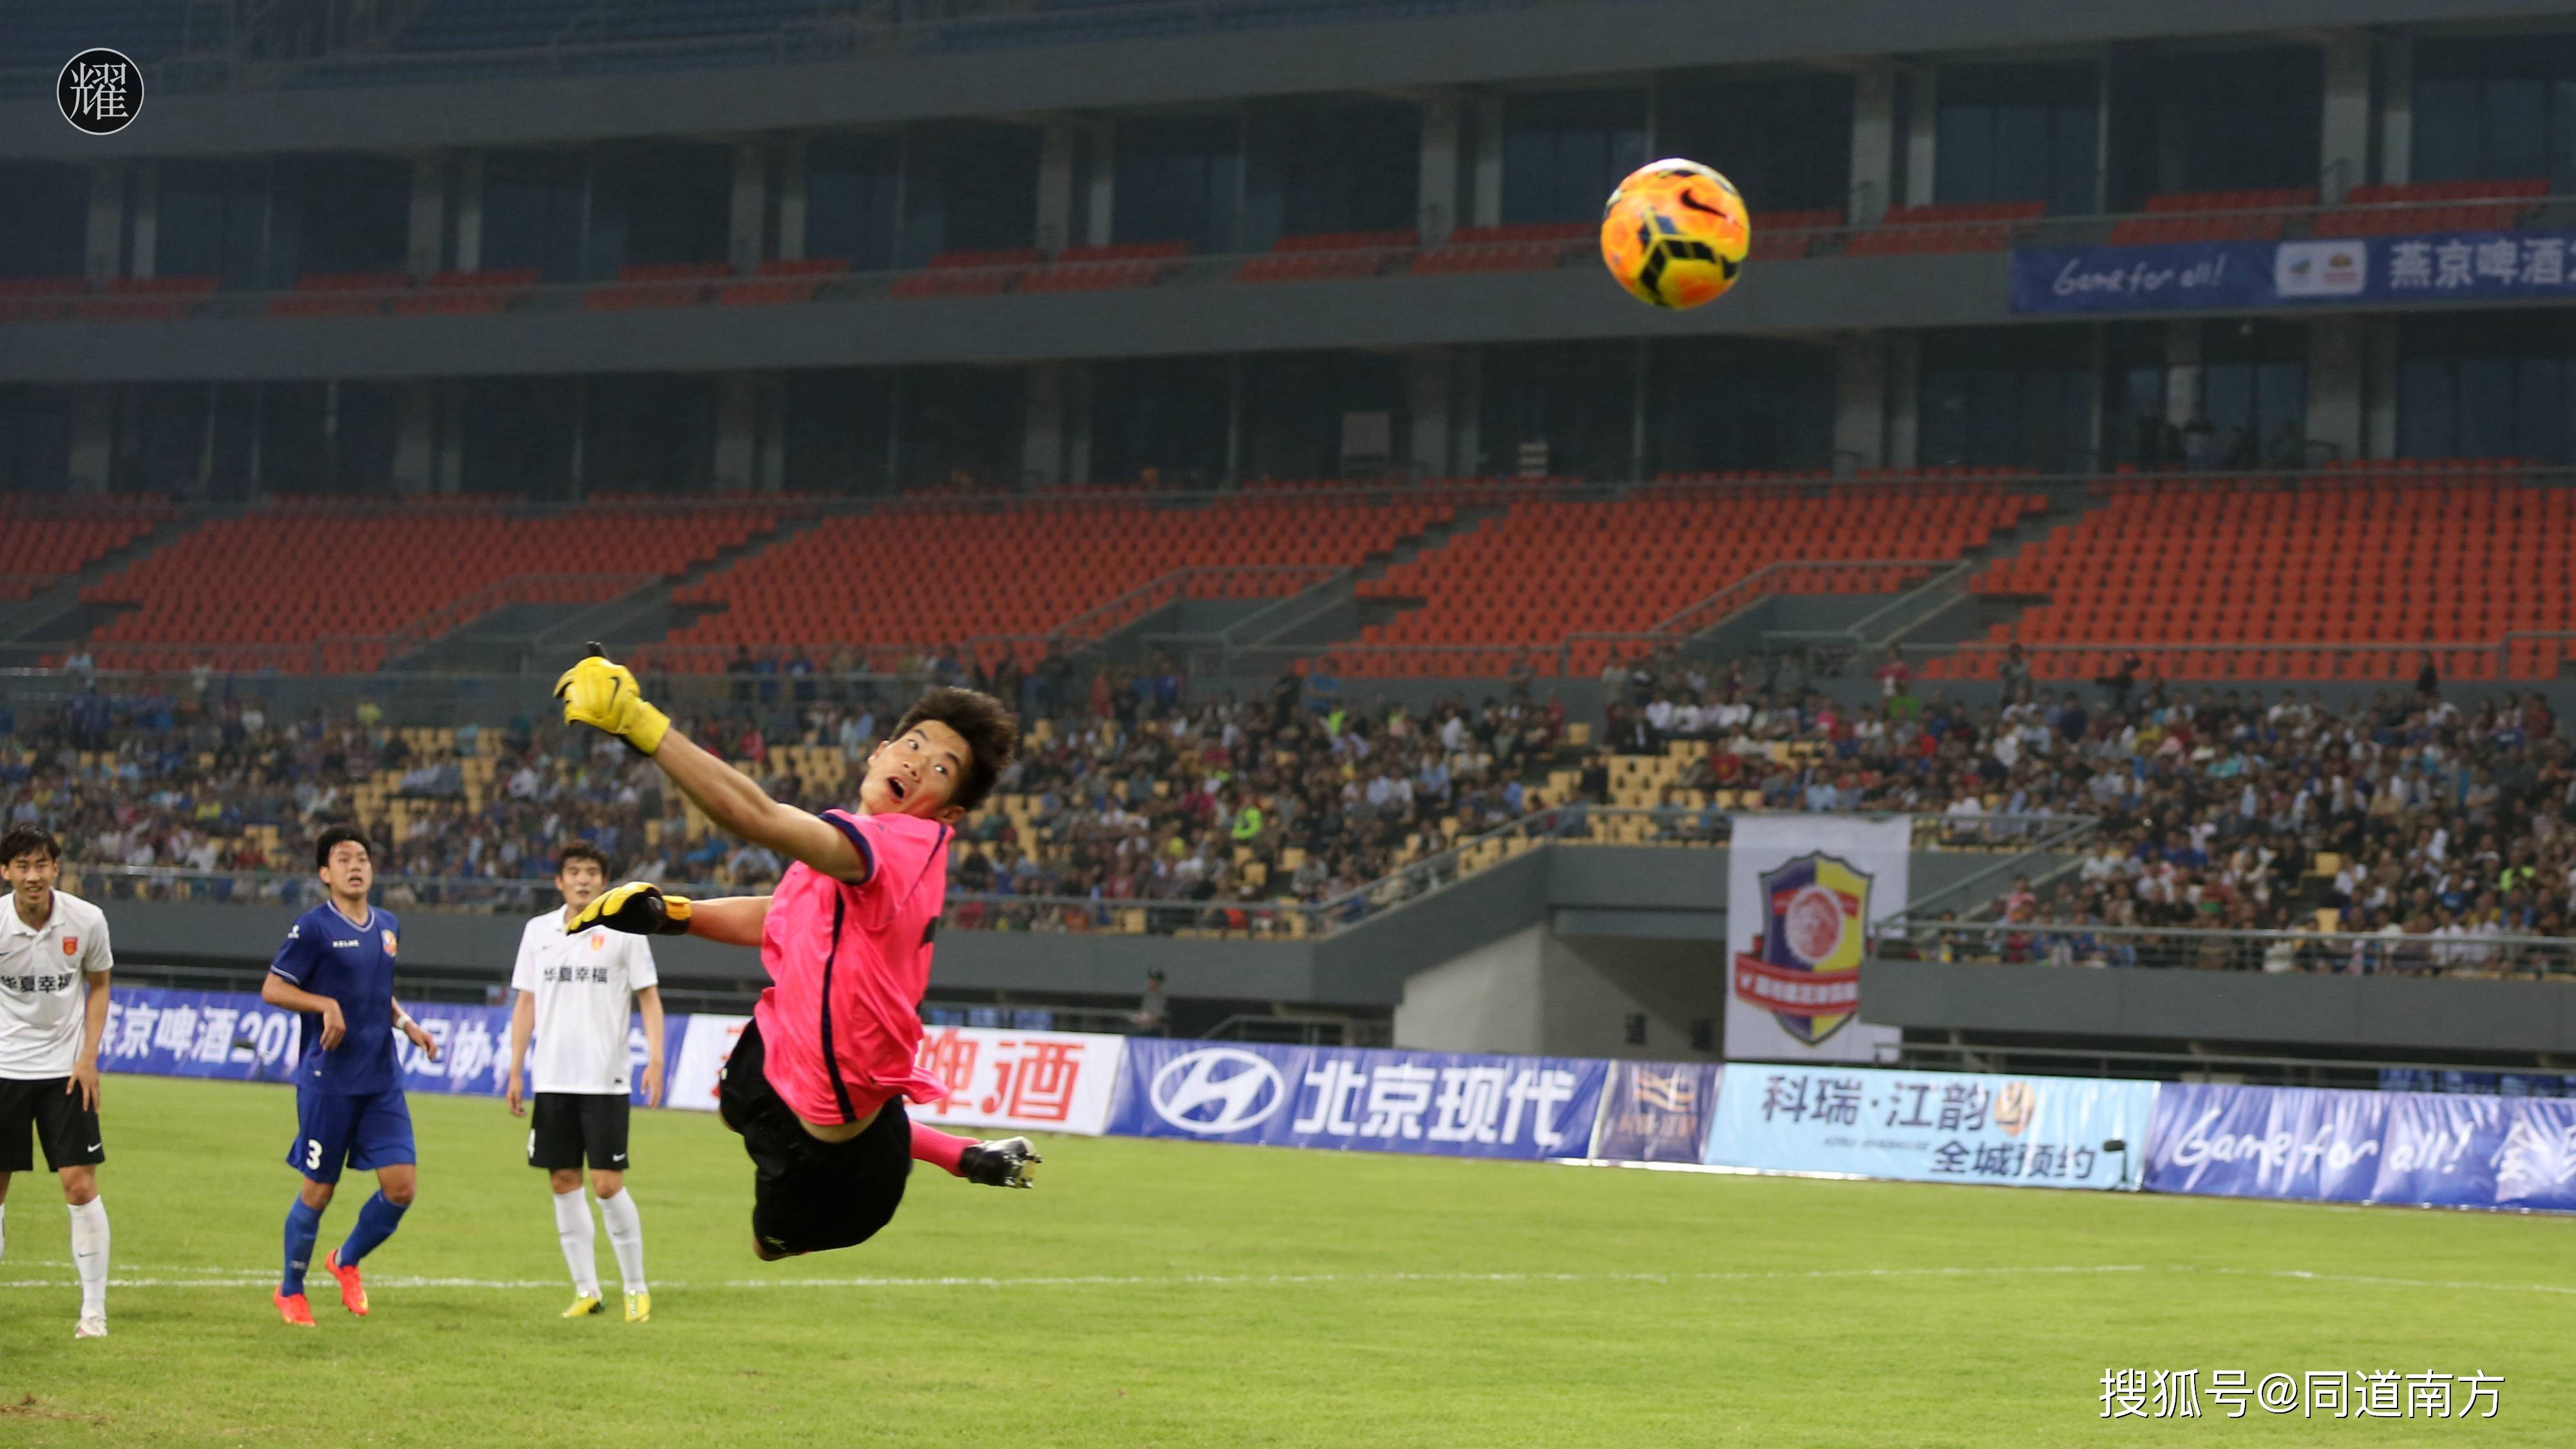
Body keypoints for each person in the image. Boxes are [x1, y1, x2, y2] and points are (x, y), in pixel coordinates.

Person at [552, 650, 1040, 1260]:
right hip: (779, 1052)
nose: (917, 765)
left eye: (941, 768)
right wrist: (673, 915)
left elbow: (757, 817)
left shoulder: (905, 846)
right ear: (878, 751)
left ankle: (956, 1154)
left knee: (766, 1244)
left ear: (949, 813)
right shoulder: (839, 856)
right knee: (734, 1106)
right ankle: (961, 1151)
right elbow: (781, 912)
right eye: (912, 746)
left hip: (837, 1162)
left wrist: (640, 723)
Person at [261, 826, 442, 1327]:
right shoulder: (313, 928)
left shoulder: (388, 926)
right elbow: (273, 989)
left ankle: (345, 1261)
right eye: (343, 859)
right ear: (325, 874)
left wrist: (407, 1025)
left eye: (362, 857)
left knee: (402, 1187)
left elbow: (376, 991)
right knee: (319, 1192)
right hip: (330, 1081)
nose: (355, 865)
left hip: (382, 1079)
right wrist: (324, 1005)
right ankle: (291, 1290)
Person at [505, 841, 665, 1323]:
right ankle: (587, 1290)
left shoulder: (625, 932)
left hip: (606, 1079)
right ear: (559, 881)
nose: (582, 879)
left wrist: (656, 1060)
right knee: (563, 1180)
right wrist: (515, 1069)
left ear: (604, 881)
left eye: (591, 872)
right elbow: (525, 1004)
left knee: (607, 1183)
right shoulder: (538, 932)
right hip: (553, 1078)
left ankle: (636, 1287)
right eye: (573, 871)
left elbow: (649, 998)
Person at [0, 826, 114, 1340]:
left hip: (66, 1072)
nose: (33, 876)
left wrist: (88, 1057)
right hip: (4, 1069)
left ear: (56, 868)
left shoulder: (86, 920)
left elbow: (100, 983)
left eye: (42, 865)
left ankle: (94, 1311)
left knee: (79, 1185)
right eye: (22, 866)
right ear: (6, 872)